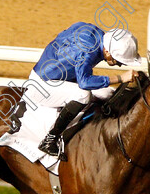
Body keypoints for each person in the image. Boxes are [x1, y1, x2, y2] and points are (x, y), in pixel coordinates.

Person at [30, 23, 141, 159]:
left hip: (58, 79)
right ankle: (50, 139)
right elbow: (84, 82)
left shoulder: (97, 35)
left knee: (107, 93)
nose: (120, 64)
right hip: (42, 86)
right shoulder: (88, 50)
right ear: (107, 51)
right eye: (119, 61)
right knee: (83, 95)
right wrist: (120, 77)